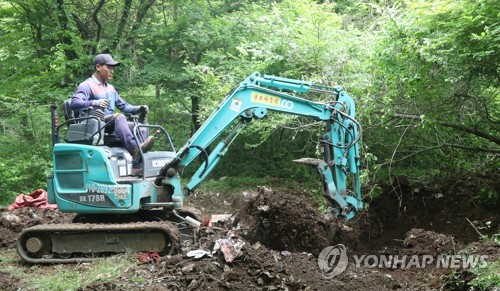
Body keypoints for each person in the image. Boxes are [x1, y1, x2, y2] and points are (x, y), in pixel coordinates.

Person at [70, 53, 154, 175]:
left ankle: (137, 167)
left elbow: (124, 106)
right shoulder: (87, 85)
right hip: (93, 123)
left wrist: (138, 108)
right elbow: (74, 103)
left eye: (112, 68)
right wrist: (95, 102)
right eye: (109, 67)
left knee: (139, 127)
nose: (112, 71)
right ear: (98, 67)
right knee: (119, 117)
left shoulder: (111, 88)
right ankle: (135, 149)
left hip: (108, 122)